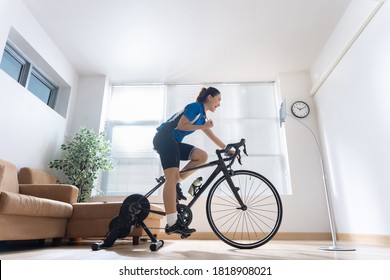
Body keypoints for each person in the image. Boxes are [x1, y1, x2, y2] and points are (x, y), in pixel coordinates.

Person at [153, 87, 227, 235]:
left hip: (173, 141)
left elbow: (212, 137)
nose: (219, 104)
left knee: (202, 156)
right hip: (165, 138)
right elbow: (181, 125)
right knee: (171, 179)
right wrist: (203, 126)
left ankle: (176, 183)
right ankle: (172, 223)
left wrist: (228, 149)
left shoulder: (202, 117)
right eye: (218, 99)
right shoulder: (195, 107)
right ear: (210, 97)